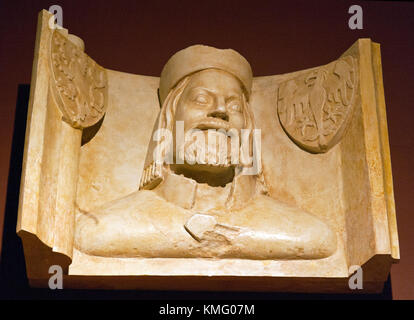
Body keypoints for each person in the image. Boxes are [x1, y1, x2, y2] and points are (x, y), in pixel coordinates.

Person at [75, 45, 336, 259]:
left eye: (234, 105)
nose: (220, 111)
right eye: (201, 99)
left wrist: (217, 237)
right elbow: (92, 237)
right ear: (169, 117)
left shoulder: (302, 228)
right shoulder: (112, 223)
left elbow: (320, 240)